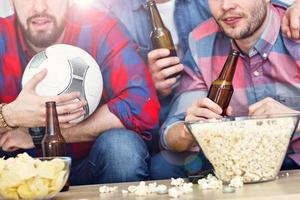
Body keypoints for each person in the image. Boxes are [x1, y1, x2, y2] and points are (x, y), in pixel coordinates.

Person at [0, 0, 160, 185]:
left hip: (88, 162)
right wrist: (10, 115)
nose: (40, 7)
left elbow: (141, 106)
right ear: (11, 2)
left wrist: (41, 137)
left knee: (122, 148)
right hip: (16, 169)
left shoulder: (99, 27)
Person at [155, 0, 300, 179]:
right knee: (163, 166)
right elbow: (170, 133)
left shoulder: (295, 26)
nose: (225, 6)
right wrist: (190, 129)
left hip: (296, 157)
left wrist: (293, 120)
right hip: (234, 162)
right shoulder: (201, 41)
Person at [96, 0, 300, 124]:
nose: (226, 5)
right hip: (160, 111)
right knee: (161, 164)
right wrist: (145, 83)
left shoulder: (291, 26)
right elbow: (173, 130)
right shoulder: (113, 10)